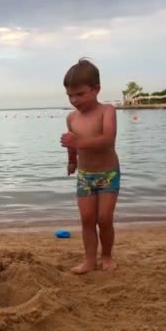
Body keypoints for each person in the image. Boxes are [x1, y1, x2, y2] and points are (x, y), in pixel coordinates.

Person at [60, 58, 120, 275]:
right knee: (87, 219)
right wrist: (72, 160)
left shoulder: (107, 111)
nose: (74, 100)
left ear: (96, 89)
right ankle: (89, 260)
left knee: (104, 219)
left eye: (80, 94)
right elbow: (72, 142)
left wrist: (77, 143)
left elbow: (107, 139)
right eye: (70, 95)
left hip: (108, 173)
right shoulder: (71, 118)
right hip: (85, 175)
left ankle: (106, 256)